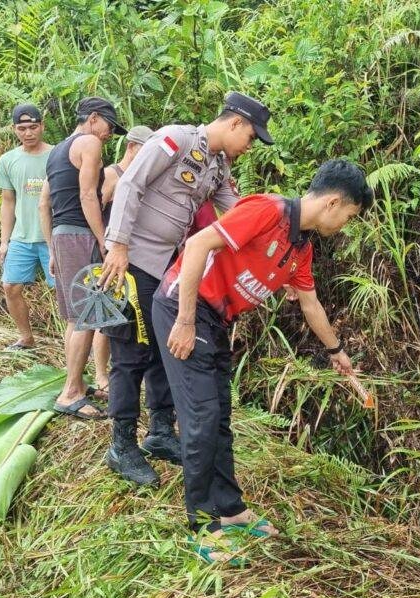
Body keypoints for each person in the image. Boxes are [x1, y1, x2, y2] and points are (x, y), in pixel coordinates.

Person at [153, 159, 374, 564]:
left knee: (218, 417)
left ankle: (231, 509)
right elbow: (199, 245)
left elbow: (311, 304)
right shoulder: (266, 210)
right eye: (350, 215)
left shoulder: (300, 246)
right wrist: (184, 320)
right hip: (183, 309)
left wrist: (336, 352)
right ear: (334, 203)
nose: (346, 223)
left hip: (216, 319)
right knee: (200, 418)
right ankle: (204, 527)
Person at [98, 92, 272, 486]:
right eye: (250, 137)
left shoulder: (215, 165)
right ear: (235, 124)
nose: (249, 147)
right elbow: (130, 184)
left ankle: (160, 431)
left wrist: (282, 226)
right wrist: (118, 245)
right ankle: (121, 444)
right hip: (134, 259)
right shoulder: (175, 139)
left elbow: (242, 210)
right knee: (130, 351)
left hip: (168, 269)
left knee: (163, 348)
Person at [41, 96, 126, 419]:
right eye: (109, 126)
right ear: (93, 118)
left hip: (64, 234)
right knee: (87, 315)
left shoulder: (57, 149)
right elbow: (88, 194)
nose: (109, 134)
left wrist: (52, 247)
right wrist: (104, 239)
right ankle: (70, 393)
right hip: (81, 233)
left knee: (76, 317)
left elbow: (45, 203)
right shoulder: (88, 142)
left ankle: (74, 381)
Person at [0, 103, 53, 351]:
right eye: (22, 128)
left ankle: (81, 340)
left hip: (52, 237)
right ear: (14, 129)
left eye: (33, 127)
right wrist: (4, 241)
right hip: (21, 237)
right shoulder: (8, 160)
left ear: (42, 126)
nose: (28, 133)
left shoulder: (57, 154)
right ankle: (26, 338)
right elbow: (8, 202)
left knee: (65, 291)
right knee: (10, 286)